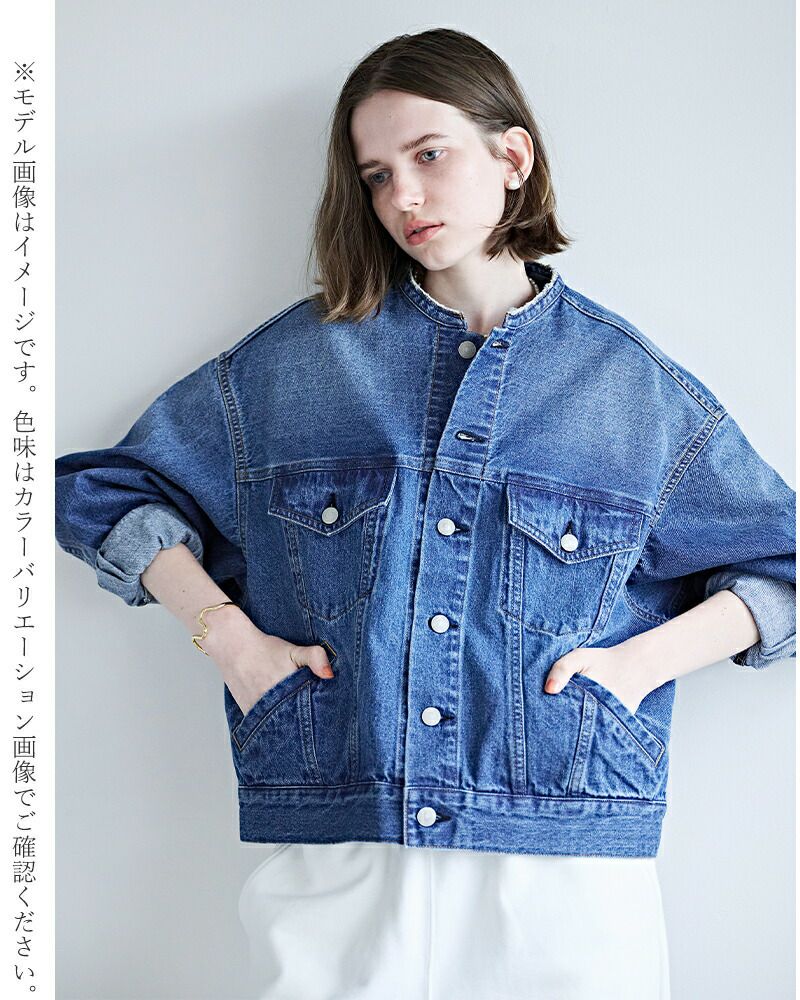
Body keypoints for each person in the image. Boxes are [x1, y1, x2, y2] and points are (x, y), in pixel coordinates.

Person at [55, 27, 795, 1000]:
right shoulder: (296, 368)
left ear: (511, 155)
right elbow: (103, 490)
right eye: (376, 175)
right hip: (340, 859)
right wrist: (228, 640)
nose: (402, 195)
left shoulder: (630, 394)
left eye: (428, 155)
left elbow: (781, 562)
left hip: (563, 872)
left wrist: (637, 666)